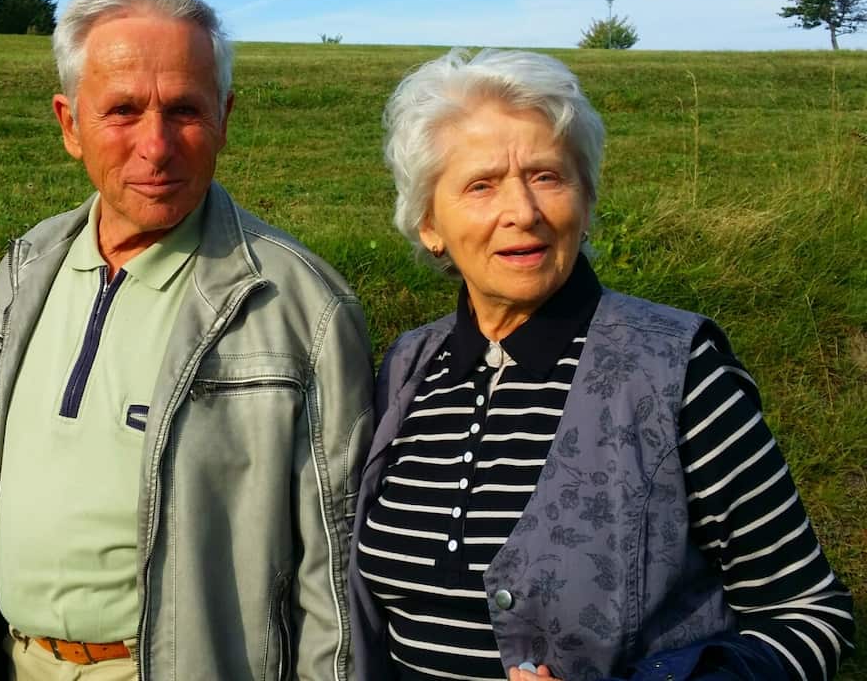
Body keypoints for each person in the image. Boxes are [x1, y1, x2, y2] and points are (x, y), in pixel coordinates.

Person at [349, 48, 855, 681]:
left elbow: (809, 614)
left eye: (547, 176)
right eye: (481, 185)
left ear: (585, 198)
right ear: (428, 223)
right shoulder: (408, 369)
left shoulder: (676, 368)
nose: (523, 212)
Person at [0, 0, 374, 681]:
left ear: (225, 118)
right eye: (123, 110)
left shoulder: (299, 307)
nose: (156, 146)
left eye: (185, 111)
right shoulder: (22, 272)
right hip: (12, 662)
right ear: (70, 124)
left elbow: (336, 577)